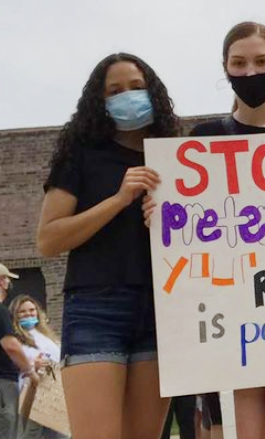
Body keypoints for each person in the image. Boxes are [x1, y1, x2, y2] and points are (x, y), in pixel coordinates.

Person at [143, 21, 265, 439]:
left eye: (261, 61)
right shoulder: (205, 140)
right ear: (225, 69)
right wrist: (161, 219)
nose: (251, 72)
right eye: (240, 63)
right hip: (236, 311)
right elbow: (186, 223)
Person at [36, 53, 179, 439]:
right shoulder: (81, 155)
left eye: (136, 87)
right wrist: (118, 200)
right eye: (114, 91)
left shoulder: (176, 158)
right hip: (96, 308)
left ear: (153, 92)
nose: (127, 96)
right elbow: (48, 239)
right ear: (99, 102)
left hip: (158, 310)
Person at [0, 264, 40, 439]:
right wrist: (30, 371)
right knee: (4, 433)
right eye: (8, 279)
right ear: (1, 281)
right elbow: (11, 346)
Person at [9, 295, 66, 439]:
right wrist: (32, 365)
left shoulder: (46, 335)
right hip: (30, 394)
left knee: (60, 435)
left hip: (53, 394)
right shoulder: (13, 338)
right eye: (23, 312)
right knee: (30, 434)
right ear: (15, 315)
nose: (29, 314)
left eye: (32, 310)